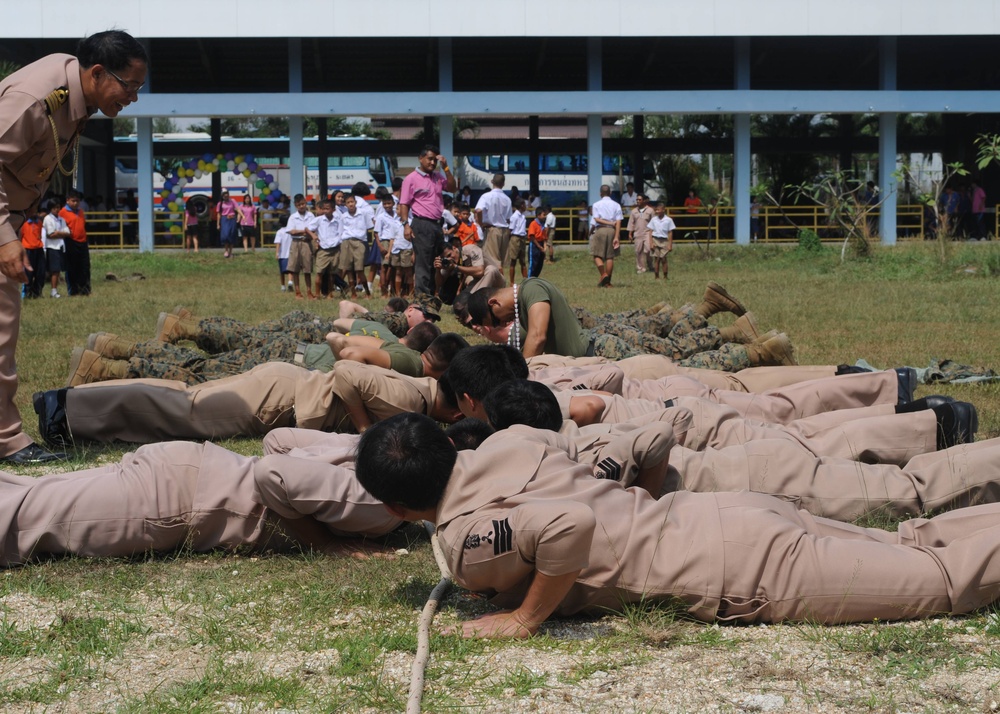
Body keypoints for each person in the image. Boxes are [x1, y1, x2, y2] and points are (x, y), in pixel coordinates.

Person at [356, 413, 1000, 637]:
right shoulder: (510, 441)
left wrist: (525, 618)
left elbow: (567, 526)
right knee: (915, 540)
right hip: (720, 512)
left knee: (943, 581)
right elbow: (646, 440)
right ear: (445, 441)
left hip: (739, 568)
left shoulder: (462, 541)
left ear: (396, 508)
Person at [0, 29, 146, 463]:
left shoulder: (74, 93)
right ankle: (6, 440)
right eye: (130, 86)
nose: (134, 97)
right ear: (98, 73)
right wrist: (6, 238)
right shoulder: (36, 99)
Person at [34, 359, 463, 446]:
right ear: (462, 406)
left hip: (281, 389)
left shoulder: (419, 392)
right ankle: (64, 411)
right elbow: (347, 371)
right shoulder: (411, 399)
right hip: (279, 398)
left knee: (182, 399)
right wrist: (364, 428)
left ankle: (70, 402)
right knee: (182, 411)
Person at [397, 145, 456, 297]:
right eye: (429, 159)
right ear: (420, 158)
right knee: (423, 263)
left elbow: (452, 188)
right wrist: (406, 225)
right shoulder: (411, 179)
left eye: (435, 160)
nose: (432, 163)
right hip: (421, 224)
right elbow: (404, 204)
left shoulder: (438, 176)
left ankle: (430, 296)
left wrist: (446, 168)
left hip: (437, 225)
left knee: (435, 263)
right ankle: (422, 299)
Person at [435, 240, 504, 304]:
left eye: (449, 255)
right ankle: (469, 302)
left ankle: (472, 302)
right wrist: (438, 270)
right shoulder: (448, 262)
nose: (449, 258)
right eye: (446, 258)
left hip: (495, 281)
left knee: (491, 269)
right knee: (468, 280)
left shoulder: (470, 250)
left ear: (454, 248)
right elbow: (440, 283)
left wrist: (456, 267)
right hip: (479, 283)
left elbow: (480, 272)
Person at [475, 173, 513, 269]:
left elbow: (478, 210)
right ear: (503, 184)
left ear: (492, 181)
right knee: (501, 261)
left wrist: (481, 224)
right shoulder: (507, 199)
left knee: (492, 261)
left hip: (492, 230)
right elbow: (508, 219)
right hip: (504, 230)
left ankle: (498, 278)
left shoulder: (486, 196)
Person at [590, 185, 622, 287]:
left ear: (600, 193)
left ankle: (603, 274)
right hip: (612, 231)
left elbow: (596, 219)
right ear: (610, 193)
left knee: (596, 255)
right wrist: (616, 236)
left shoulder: (596, 204)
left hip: (600, 230)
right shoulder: (616, 205)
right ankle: (607, 282)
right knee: (610, 256)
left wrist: (608, 222)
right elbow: (618, 222)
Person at [285, 194, 316, 300]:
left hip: (307, 242)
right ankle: (298, 292)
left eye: (303, 204)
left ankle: (309, 291)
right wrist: (305, 231)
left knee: (307, 268)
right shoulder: (293, 217)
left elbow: (314, 229)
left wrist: (306, 232)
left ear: (305, 202)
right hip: (296, 243)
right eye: (299, 205)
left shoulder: (311, 215)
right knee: (295, 268)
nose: (301, 206)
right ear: (295, 205)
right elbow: (292, 231)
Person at [60, 189, 90, 295]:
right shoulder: (62, 212)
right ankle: (73, 290)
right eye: (73, 201)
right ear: (67, 200)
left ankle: (85, 289)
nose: (75, 203)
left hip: (83, 241)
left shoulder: (80, 211)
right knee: (72, 267)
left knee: (84, 266)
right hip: (70, 241)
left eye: (77, 201)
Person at [311, 199, 342, 299]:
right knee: (319, 272)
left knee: (332, 274)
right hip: (323, 250)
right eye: (324, 209)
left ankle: (330, 293)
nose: (325, 211)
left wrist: (338, 242)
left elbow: (341, 233)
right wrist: (314, 236)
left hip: (335, 249)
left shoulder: (338, 220)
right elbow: (308, 228)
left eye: (327, 209)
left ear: (333, 209)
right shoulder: (319, 220)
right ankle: (317, 294)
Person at [41, 199, 68, 298]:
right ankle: (53, 291)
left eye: (58, 207)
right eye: (54, 208)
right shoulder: (48, 219)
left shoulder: (61, 219)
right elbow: (50, 234)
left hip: (60, 246)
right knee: (54, 270)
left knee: (58, 269)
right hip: (52, 247)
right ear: (50, 209)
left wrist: (58, 233)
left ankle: (55, 290)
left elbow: (68, 232)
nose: (57, 210)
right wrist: (61, 233)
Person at [18, 208, 45, 299]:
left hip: (39, 249)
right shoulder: (24, 223)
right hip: (28, 249)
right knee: (28, 273)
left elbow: (39, 235)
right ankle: (26, 293)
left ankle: (37, 292)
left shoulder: (39, 223)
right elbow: (20, 236)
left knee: (40, 272)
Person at [627, 193, 654, 274]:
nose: (638, 201)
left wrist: (654, 233)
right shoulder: (634, 211)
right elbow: (631, 223)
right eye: (637, 200)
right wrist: (630, 234)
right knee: (638, 251)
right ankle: (641, 268)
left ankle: (650, 265)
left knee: (648, 250)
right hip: (638, 233)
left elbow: (654, 222)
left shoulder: (650, 210)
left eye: (640, 200)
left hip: (647, 232)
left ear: (644, 201)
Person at [647, 203, 675, 279]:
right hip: (655, 239)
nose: (657, 211)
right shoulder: (654, 219)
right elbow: (650, 231)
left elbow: (670, 232)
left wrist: (670, 244)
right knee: (656, 259)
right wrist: (651, 243)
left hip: (664, 240)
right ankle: (656, 276)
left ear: (663, 210)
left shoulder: (668, 220)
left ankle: (665, 276)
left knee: (664, 258)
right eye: (656, 210)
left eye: (658, 210)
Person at [507, 197, 528, 284]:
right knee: (513, 261)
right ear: (522, 205)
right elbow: (510, 229)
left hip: (522, 238)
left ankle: (526, 281)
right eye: (525, 205)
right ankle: (512, 282)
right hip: (515, 238)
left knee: (523, 261)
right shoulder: (514, 216)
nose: (526, 206)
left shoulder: (523, 216)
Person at [215, 190, 239, 259]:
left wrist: (239, 217)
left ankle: (230, 252)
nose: (226, 196)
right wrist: (218, 224)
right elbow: (218, 214)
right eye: (224, 195)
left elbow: (237, 209)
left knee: (231, 235)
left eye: (227, 194)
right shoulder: (220, 203)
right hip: (224, 219)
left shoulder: (232, 201)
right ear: (222, 196)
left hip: (232, 219)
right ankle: (226, 250)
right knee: (225, 235)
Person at [526, 205, 548, 279]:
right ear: (538, 215)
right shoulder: (533, 224)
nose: (545, 216)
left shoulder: (542, 225)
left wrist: (544, 247)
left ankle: (534, 280)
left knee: (539, 265)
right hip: (535, 245)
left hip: (541, 244)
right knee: (533, 265)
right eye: (543, 215)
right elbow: (532, 237)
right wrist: (539, 247)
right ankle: (529, 280)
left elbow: (544, 237)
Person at [273, 214, 292, 291]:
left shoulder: (279, 232)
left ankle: (283, 286)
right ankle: (290, 281)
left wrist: (277, 253)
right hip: (291, 254)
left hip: (282, 254)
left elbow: (278, 243)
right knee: (291, 270)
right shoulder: (292, 231)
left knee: (282, 271)